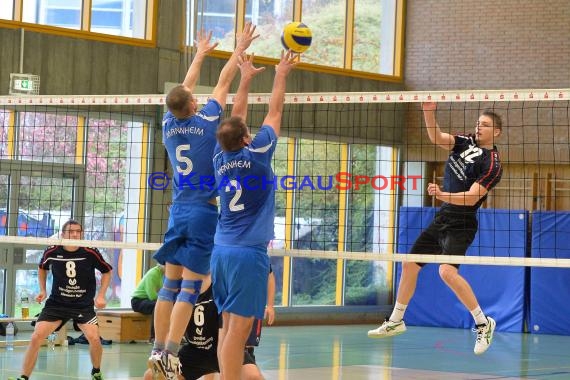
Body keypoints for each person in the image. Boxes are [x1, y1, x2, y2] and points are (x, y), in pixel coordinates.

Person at [150, 25, 260, 380]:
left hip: (176, 211)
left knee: (168, 285)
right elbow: (225, 81)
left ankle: (158, 348)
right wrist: (238, 49)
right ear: (194, 104)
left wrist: (198, 53)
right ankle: (168, 352)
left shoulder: (168, 122)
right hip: (202, 212)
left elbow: (183, 88)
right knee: (190, 287)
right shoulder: (209, 118)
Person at [368, 102, 503, 355]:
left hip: (462, 223)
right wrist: (428, 112)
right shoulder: (465, 142)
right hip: (443, 218)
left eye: (484, 125)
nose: (479, 127)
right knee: (409, 264)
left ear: (497, 132)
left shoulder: (493, 164)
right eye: (478, 123)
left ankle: (484, 323)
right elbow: (436, 137)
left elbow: (473, 197)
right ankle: (396, 320)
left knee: (446, 272)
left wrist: (442, 194)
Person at [211, 49, 298, 379]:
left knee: (228, 325)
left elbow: (236, 117)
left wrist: (245, 79)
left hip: (221, 252)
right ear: (246, 138)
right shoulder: (258, 153)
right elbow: (275, 111)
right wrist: (281, 73)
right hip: (248, 255)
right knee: (239, 331)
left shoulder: (220, 156)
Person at [17, 219, 113, 380]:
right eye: (71, 231)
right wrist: (42, 290)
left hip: (83, 306)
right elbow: (42, 268)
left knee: (95, 338)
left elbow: (107, 271)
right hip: (56, 304)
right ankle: (24, 377)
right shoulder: (52, 251)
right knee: (36, 337)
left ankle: (96, 371)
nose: (75, 234)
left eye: (78, 231)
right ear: (63, 234)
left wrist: (101, 295)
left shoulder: (90, 251)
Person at [144, 275, 266, 380]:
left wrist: (227, 372)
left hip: (224, 346)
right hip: (195, 351)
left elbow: (226, 332)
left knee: (253, 377)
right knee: (151, 376)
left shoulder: (220, 285)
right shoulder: (176, 288)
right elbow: (169, 333)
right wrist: (162, 363)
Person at [131, 264, 164, 341]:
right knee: (158, 306)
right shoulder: (153, 274)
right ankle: (153, 337)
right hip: (138, 301)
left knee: (164, 305)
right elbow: (152, 295)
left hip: (146, 300)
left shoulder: (160, 274)